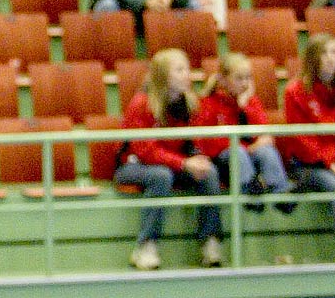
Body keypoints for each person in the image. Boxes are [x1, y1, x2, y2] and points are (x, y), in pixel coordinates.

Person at [114, 47, 224, 270]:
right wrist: (183, 163)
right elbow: (146, 151)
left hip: (173, 163)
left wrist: (197, 158)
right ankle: (146, 245)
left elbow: (196, 141)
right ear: (164, 75)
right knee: (161, 176)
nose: (187, 75)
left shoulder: (190, 103)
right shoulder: (141, 103)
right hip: (133, 165)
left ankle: (209, 241)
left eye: (188, 69)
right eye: (180, 70)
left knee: (209, 172)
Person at [194, 52, 293, 209]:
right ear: (223, 80)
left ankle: (280, 194)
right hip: (223, 161)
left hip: (249, 156)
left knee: (267, 151)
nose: (245, 83)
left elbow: (263, 132)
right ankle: (249, 194)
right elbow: (208, 142)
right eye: (239, 78)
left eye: (248, 78)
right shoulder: (208, 103)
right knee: (238, 151)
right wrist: (248, 147)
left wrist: (245, 107)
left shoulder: (251, 101)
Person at [280, 34, 335, 229]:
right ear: (313, 58)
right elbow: (302, 141)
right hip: (307, 165)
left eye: (334, 52)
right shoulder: (295, 91)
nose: (331, 58)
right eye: (325, 53)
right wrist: (329, 162)